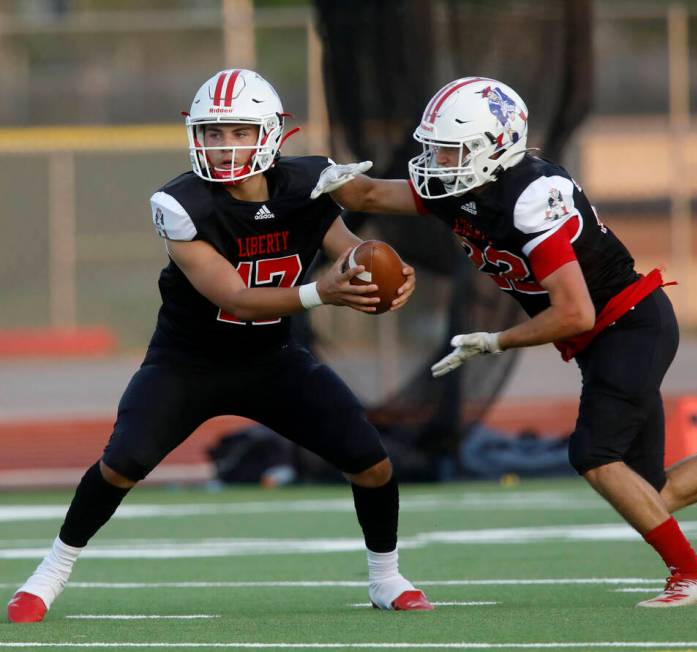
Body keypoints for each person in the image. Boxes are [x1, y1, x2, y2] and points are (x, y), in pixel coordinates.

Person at [309, 76, 697, 607]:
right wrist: (286, 167)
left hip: (629, 325)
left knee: (594, 455)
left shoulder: (529, 196)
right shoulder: (462, 186)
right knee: (652, 493)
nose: (437, 164)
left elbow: (574, 311)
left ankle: (692, 576)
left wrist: (496, 341)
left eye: (452, 152)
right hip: (608, 337)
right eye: (436, 150)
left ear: (494, 149)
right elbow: (365, 193)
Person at [6, 69, 433, 624]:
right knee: (122, 464)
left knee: (372, 462)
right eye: (212, 133)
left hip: (272, 361)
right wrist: (321, 293)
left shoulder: (308, 185)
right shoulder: (181, 203)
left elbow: (350, 248)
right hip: (188, 363)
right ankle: (50, 572)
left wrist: (382, 271)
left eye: (236, 132)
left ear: (273, 135)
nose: (223, 146)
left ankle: (386, 577)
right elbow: (235, 294)